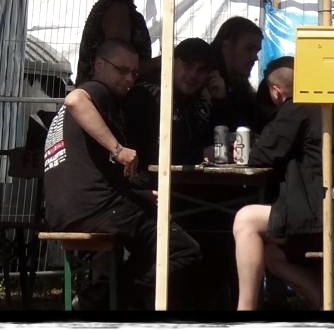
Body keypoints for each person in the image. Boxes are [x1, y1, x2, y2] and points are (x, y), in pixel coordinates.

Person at [43, 38, 202, 310]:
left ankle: (105, 296)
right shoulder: (97, 90)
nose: (129, 79)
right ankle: (104, 300)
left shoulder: (101, 102)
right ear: (99, 65)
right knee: (182, 249)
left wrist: (138, 193)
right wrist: (117, 149)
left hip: (65, 211)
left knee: (145, 242)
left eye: (134, 73)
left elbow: (96, 169)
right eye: (122, 70)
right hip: (96, 208)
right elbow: (74, 99)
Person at [231, 58, 334, 310]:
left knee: (245, 220)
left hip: (331, 213)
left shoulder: (298, 106)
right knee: (273, 255)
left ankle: (245, 309)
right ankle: (330, 304)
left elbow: (259, 155)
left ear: (275, 91)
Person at [121, 37, 227, 170]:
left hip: (195, 179)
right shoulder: (146, 95)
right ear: (172, 63)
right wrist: (200, 155)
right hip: (151, 179)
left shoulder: (201, 101)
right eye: (187, 66)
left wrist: (220, 101)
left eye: (201, 70)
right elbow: (146, 152)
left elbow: (223, 143)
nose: (193, 75)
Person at [210, 16, 264, 131]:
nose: (255, 57)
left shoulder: (239, 84)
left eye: (257, 51)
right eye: (249, 49)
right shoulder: (202, 80)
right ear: (227, 46)